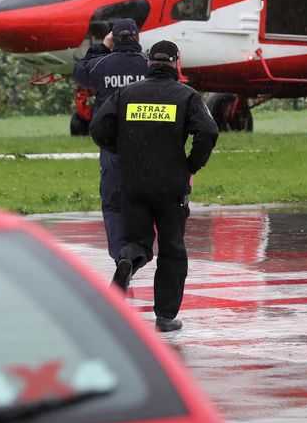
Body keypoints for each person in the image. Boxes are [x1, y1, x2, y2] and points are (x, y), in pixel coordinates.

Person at [89, 40, 219, 333]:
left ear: (149, 63)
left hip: (133, 182)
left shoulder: (127, 94)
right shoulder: (187, 96)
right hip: (171, 184)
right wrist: (191, 166)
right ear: (176, 63)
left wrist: (122, 150)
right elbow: (208, 131)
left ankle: (127, 262)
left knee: (138, 242)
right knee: (172, 248)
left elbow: (98, 128)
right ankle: (165, 315)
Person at [73, 17, 147, 262]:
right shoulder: (148, 65)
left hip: (112, 146)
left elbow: (79, 70)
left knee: (113, 203)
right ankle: (139, 249)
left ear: (113, 40)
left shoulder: (102, 65)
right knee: (144, 201)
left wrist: (101, 48)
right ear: (137, 37)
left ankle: (120, 255)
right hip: (147, 147)